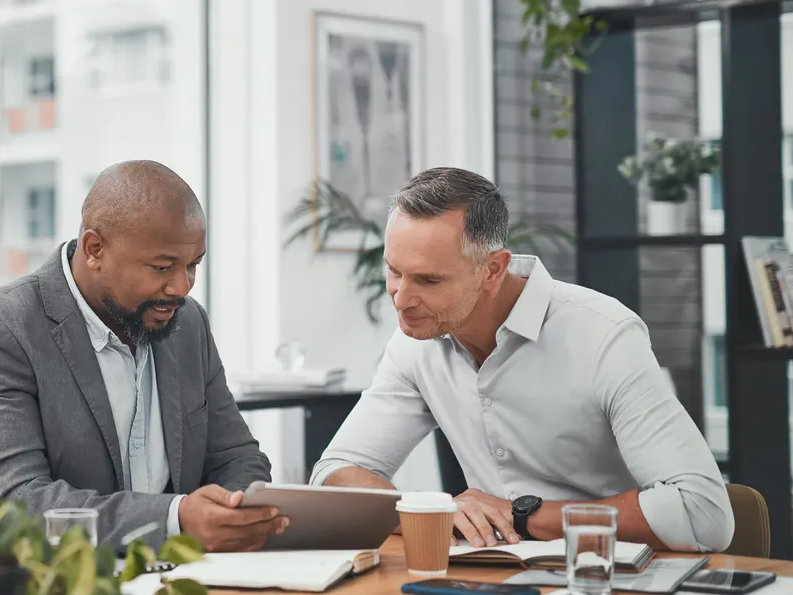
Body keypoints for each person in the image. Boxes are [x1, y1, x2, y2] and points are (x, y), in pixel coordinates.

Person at [311, 167, 734, 553]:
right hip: (492, 573)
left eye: (429, 279)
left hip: (605, 575)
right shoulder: (414, 345)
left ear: (493, 270)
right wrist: (426, 507)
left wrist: (520, 514)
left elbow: (702, 511)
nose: (401, 298)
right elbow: (336, 472)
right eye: (393, 271)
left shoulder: (603, 335)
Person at [0, 160, 285, 551]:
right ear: (95, 250)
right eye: (162, 267)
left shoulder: (187, 324)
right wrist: (174, 519)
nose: (182, 286)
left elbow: (236, 456)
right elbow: (19, 503)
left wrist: (235, 511)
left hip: (172, 577)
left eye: (193, 265)